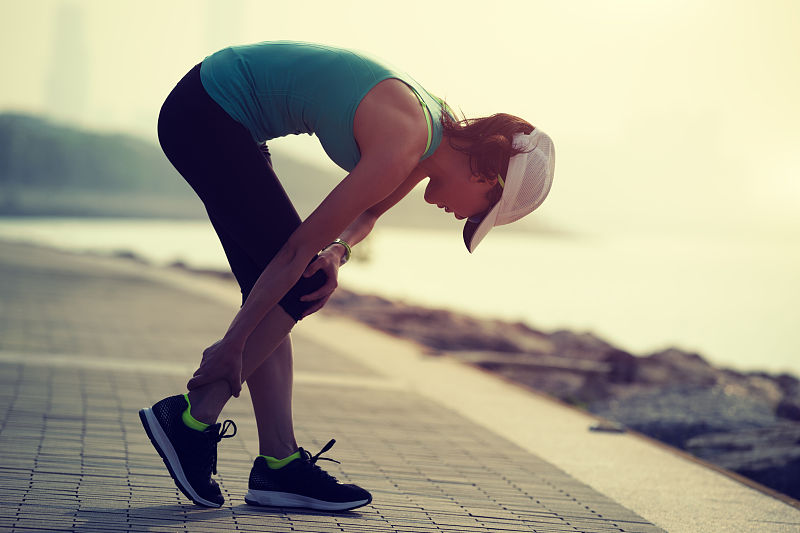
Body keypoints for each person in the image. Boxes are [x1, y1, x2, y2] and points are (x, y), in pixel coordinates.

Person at [139, 40, 555, 512]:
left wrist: (338, 253)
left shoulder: (430, 140)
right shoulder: (405, 142)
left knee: (291, 289)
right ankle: (193, 420)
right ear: (486, 177)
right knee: (295, 283)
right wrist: (232, 345)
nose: (461, 217)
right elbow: (297, 249)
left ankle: (277, 464)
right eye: (478, 214)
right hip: (206, 112)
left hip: (224, 119)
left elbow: (369, 214)